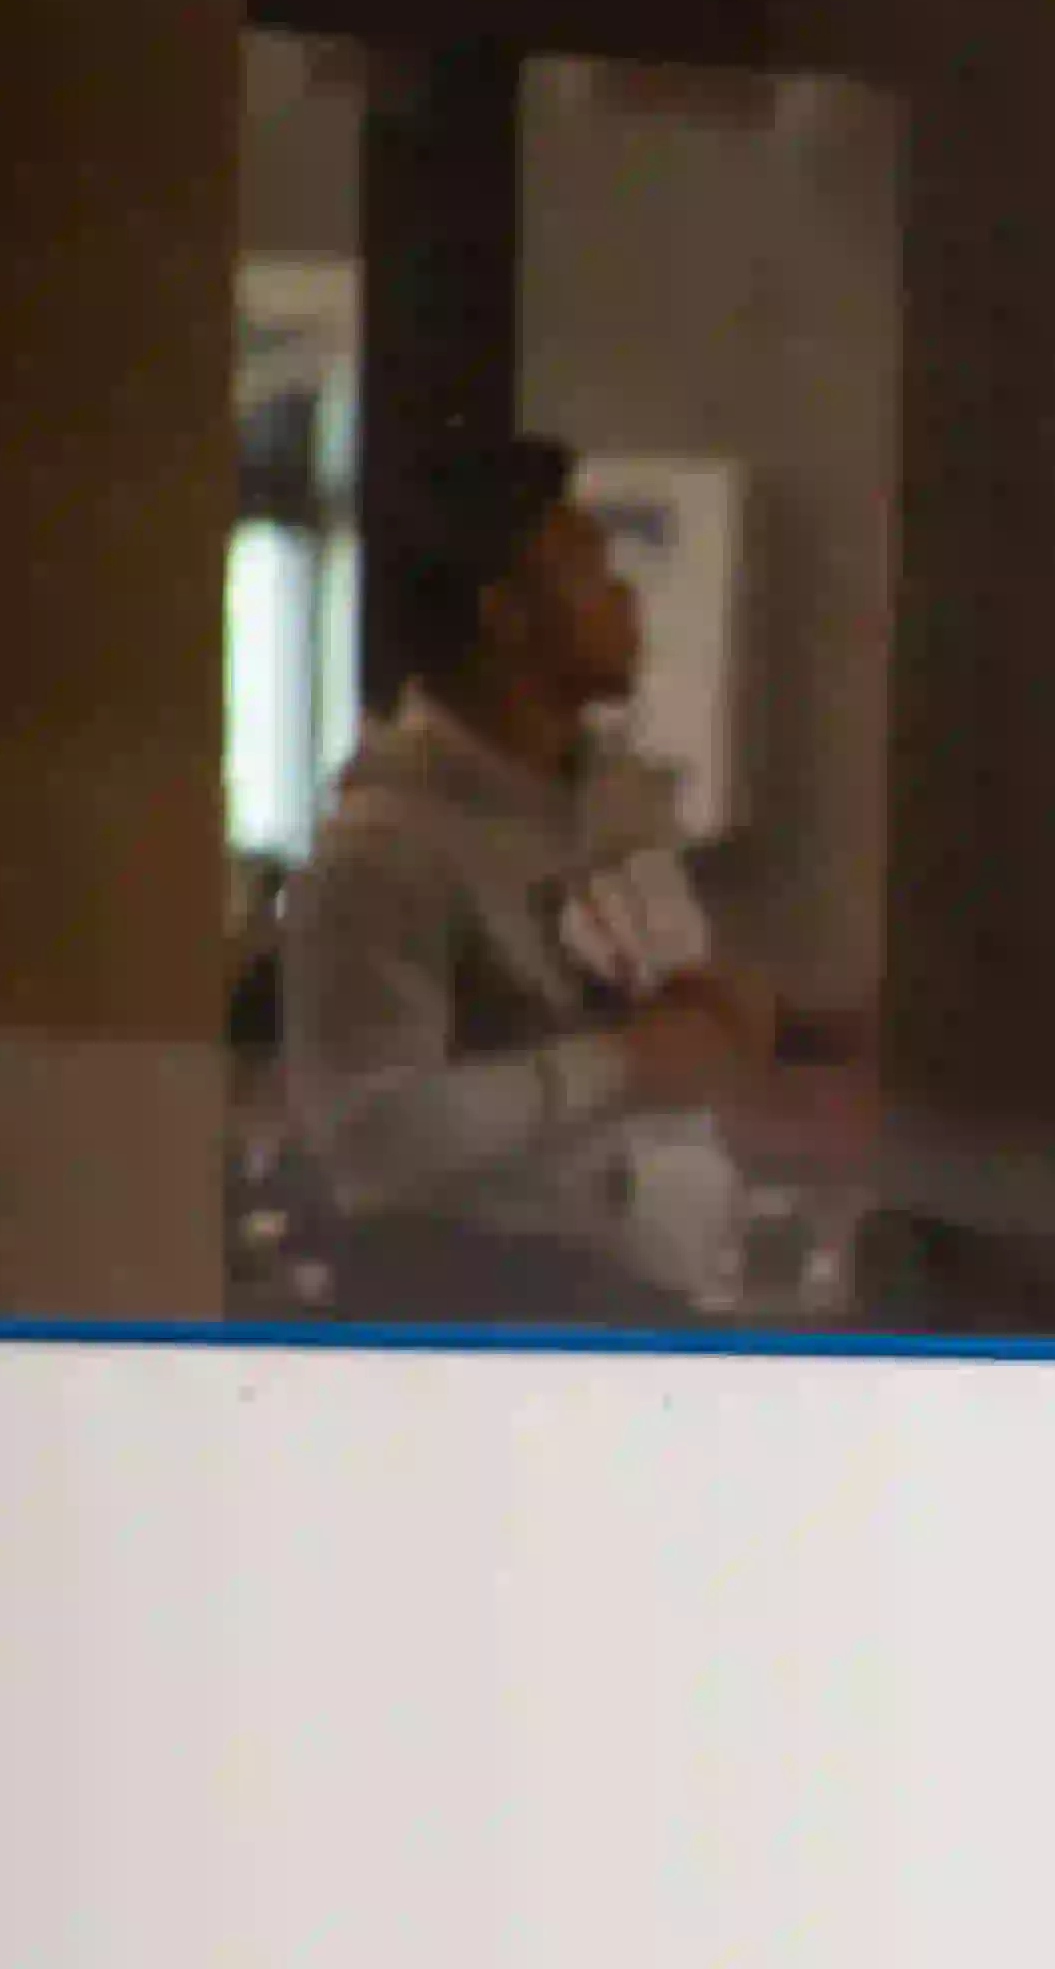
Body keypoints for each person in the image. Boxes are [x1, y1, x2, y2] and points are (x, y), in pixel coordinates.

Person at [279, 430, 812, 1322]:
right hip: (485, 1313)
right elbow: (368, 1138)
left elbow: (651, 1020)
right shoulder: (382, 851)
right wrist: (623, 1063)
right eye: (592, 573)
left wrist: (719, 1017)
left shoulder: (619, 803)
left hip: (650, 1299)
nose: (625, 600)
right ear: (507, 616)